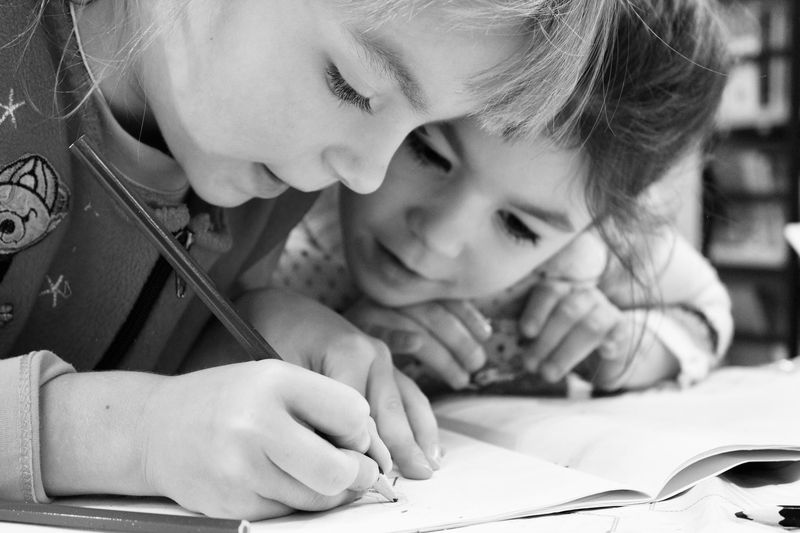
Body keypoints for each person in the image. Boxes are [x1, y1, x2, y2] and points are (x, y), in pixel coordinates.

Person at [0, 0, 618, 520]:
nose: (368, 176)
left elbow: (124, 350)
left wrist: (249, 332)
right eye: (353, 86)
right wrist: (137, 436)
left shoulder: (265, 172)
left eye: (418, 130)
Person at [272, 0, 734, 395]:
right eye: (428, 153)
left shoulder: (592, 253)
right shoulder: (282, 186)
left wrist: (635, 347)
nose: (439, 237)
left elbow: (708, 309)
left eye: (519, 226)